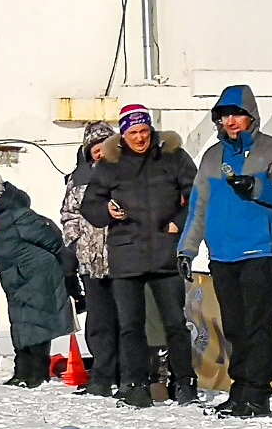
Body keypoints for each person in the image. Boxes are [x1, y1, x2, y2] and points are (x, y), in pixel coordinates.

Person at [180, 84, 272, 418]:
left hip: (259, 250)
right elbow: (198, 208)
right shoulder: (211, 158)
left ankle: (257, 394)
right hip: (221, 253)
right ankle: (239, 390)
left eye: (237, 114)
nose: (231, 121)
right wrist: (186, 249)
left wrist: (258, 187)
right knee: (233, 326)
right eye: (224, 116)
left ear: (251, 116)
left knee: (257, 324)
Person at [83, 105, 200, 408]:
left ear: (152, 131)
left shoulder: (173, 156)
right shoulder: (109, 164)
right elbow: (89, 206)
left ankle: (184, 383)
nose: (139, 138)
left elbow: (198, 195)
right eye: (133, 133)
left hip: (165, 252)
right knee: (130, 325)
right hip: (127, 255)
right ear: (123, 135)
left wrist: (180, 220)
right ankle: (135, 385)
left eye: (144, 132)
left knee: (175, 322)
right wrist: (106, 211)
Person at [0, 172, 73, 388]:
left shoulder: (19, 215)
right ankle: (22, 372)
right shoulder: (2, 216)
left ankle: (36, 373)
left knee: (35, 325)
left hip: (36, 279)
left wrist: (68, 274)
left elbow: (54, 242)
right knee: (21, 325)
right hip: (19, 280)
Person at [61, 123, 118, 397]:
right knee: (98, 322)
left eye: (104, 147)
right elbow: (68, 215)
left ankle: (128, 373)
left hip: (122, 259)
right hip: (90, 262)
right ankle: (103, 375)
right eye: (95, 149)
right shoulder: (77, 179)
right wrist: (75, 243)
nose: (99, 153)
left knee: (127, 320)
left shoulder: (125, 173)